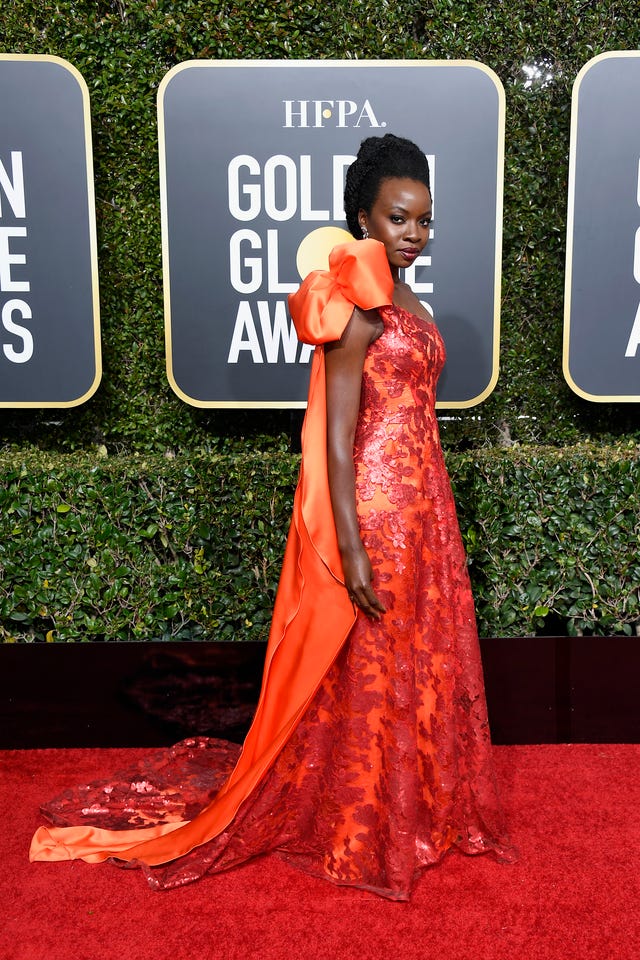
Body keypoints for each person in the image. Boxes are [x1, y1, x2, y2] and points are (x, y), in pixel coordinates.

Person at [30, 133, 513, 900]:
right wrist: (350, 545)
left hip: (427, 507)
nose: (414, 233)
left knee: (416, 660)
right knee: (372, 663)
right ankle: (365, 818)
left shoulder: (413, 301)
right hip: (376, 511)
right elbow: (335, 435)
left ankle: (417, 807)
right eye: (398, 218)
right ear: (363, 218)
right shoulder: (357, 304)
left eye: (424, 220)